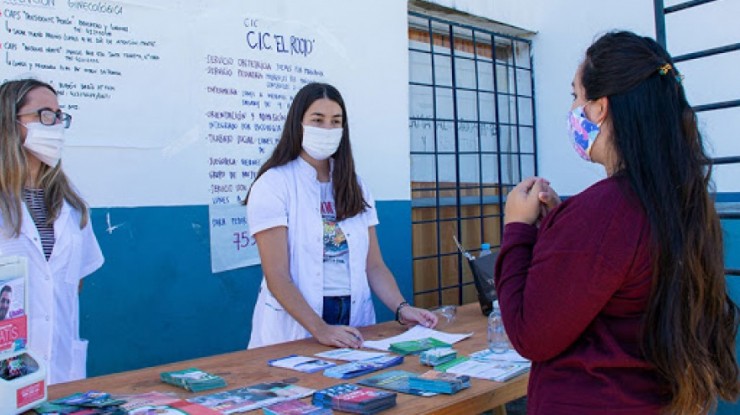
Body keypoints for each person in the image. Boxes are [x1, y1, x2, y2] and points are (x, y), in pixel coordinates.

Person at [495, 31, 739, 414]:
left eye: (576, 96)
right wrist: (561, 226)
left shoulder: (605, 209)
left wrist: (518, 229)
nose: (574, 108)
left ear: (600, 108)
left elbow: (530, 333)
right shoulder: (677, 201)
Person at [246, 82, 437, 348]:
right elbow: (277, 274)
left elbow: (374, 266)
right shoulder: (273, 184)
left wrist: (402, 308)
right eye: (317, 120)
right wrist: (320, 329)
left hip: (353, 317)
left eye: (336, 121)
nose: (327, 129)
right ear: (298, 124)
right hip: (300, 324)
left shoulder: (354, 185)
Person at [0, 78, 104, 384]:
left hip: (61, 370)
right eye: (45, 115)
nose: (55, 124)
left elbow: (75, 281)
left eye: (59, 116)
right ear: (10, 122)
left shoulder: (69, 200)